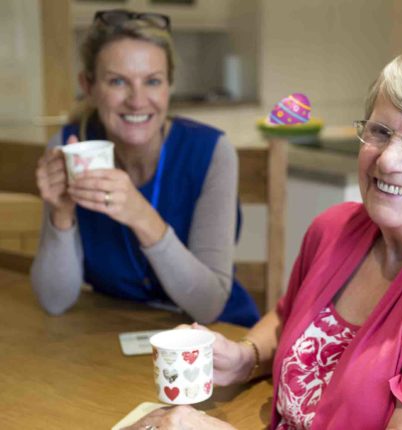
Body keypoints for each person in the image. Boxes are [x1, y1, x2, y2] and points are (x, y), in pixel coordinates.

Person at [126, 49, 402, 430]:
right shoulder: (337, 227)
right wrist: (245, 358)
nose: (388, 159)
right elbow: (289, 319)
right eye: (380, 132)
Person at [31, 9, 259, 327]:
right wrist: (61, 215)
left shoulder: (211, 152)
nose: (137, 101)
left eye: (152, 81)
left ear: (169, 86)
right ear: (89, 86)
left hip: (214, 339)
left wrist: (141, 216)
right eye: (118, 81)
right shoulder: (71, 146)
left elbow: (208, 306)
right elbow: (55, 301)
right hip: (114, 333)